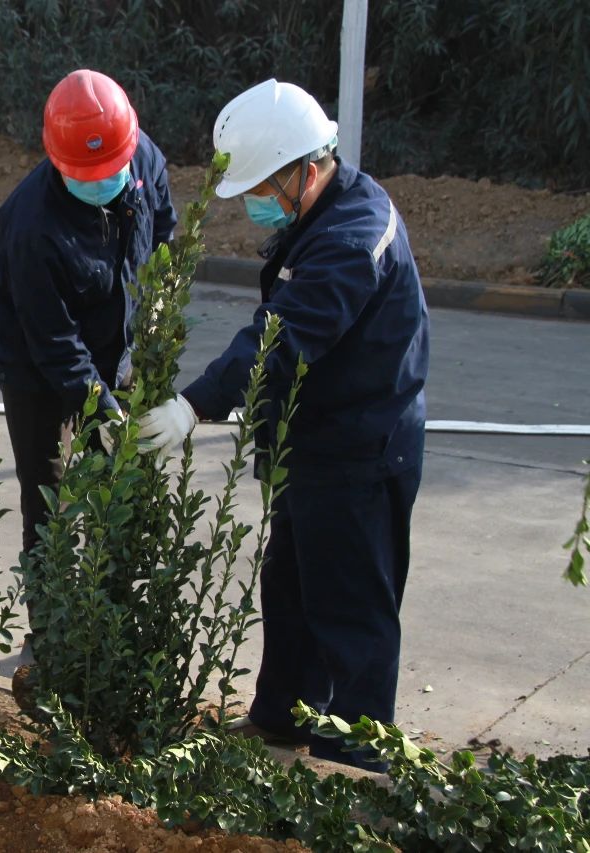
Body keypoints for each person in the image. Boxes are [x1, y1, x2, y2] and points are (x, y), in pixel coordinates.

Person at [136, 79, 429, 771]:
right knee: (293, 585)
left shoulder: (354, 234)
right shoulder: (320, 216)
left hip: (360, 448)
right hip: (314, 440)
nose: (257, 203)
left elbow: (283, 336)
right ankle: (279, 719)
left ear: (305, 167)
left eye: (264, 185)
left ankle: (354, 760)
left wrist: (195, 403)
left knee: (352, 607)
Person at [0, 70, 177, 657]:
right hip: (39, 367)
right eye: (86, 177)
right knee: (50, 493)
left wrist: (160, 292)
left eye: (111, 170)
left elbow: (164, 229)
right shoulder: (31, 225)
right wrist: (101, 412)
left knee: (122, 490)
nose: (104, 183)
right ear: (56, 161)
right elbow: (54, 343)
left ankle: (114, 631)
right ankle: (51, 640)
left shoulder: (140, 158)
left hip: (118, 350)